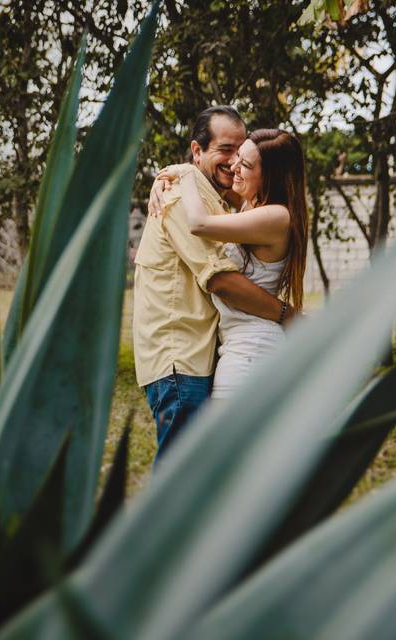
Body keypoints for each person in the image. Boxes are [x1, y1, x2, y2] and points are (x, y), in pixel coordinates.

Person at [133, 107, 290, 464]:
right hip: (179, 358)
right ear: (197, 150)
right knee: (180, 481)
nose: (234, 160)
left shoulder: (212, 200)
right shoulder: (178, 200)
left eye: (241, 151)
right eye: (225, 149)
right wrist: (287, 314)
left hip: (207, 358)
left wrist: (176, 172)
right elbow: (219, 279)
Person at [149, 128, 308, 400]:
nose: (234, 166)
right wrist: (163, 179)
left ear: (270, 176)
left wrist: (185, 171)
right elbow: (210, 185)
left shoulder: (276, 216)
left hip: (250, 354)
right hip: (243, 349)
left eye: (245, 164)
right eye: (237, 157)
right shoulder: (253, 206)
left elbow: (199, 224)